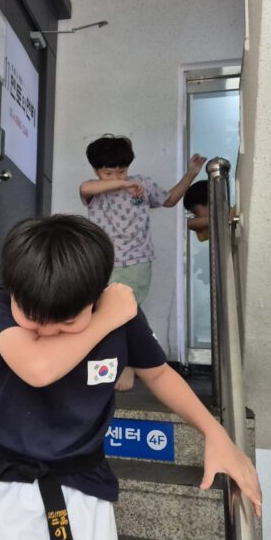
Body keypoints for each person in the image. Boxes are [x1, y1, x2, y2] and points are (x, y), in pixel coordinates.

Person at [0, 215, 261, 540]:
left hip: (83, 486)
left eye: (65, 322)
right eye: (33, 318)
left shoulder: (121, 314)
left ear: (94, 296)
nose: (47, 331)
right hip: (1, 483)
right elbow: (38, 369)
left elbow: (158, 373)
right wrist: (106, 318)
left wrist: (215, 433)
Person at [80, 135, 207, 390]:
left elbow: (169, 200)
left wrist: (191, 174)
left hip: (136, 263)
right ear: (96, 170)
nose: (115, 177)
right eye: (108, 173)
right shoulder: (96, 189)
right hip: (102, 263)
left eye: (121, 171)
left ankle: (127, 367)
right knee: (101, 315)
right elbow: (85, 188)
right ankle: (110, 367)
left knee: (124, 315)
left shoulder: (142, 184)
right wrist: (123, 183)